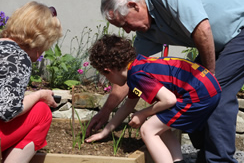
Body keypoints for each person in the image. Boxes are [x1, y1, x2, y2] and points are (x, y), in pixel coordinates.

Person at [86, 0, 244, 163]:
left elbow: (203, 29)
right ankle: (206, 153)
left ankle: (219, 160)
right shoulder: (146, 32)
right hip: (220, 41)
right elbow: (126, 73)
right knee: (195, 92)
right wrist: (105, 111)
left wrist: (209, 76)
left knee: (215, 90)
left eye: (125, 24)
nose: (127, 31)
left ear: (133, 5)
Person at [85, 34, 221, 163]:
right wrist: (105, 132)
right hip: (208, 88)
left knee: (147, 130)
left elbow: (169, 100)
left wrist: (143, 113)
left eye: (105, 76)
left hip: (197, 95)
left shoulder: (137, 75)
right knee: (159, 126)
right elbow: (128, 106)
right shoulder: (138, 66)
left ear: (108, 70)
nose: (109, 81)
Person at [0, 1, 63, 163]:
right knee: (42, 111)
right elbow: (7, 112)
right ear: (39, 40)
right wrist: (40, 95)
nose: (41, 54)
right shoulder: (17, 56)